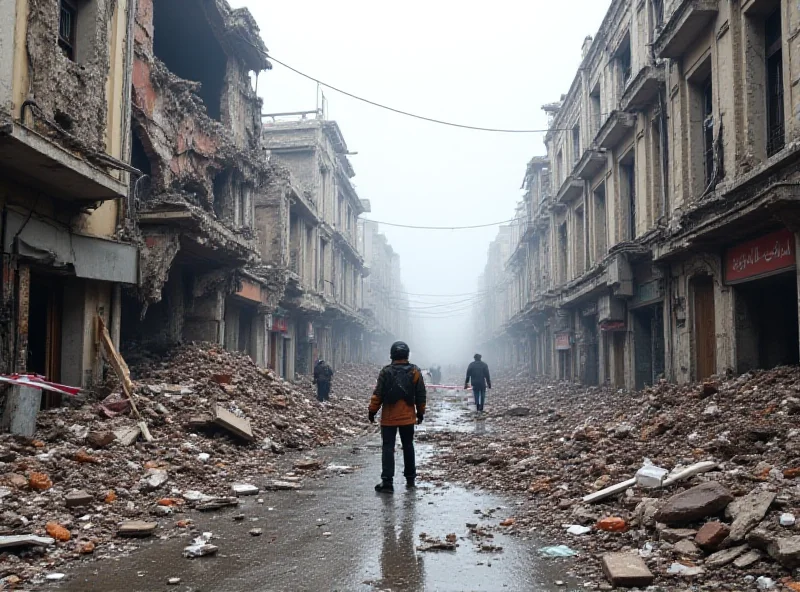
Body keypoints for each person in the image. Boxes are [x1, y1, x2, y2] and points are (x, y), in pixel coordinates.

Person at [369, 341, 427, 493]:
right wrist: (420, 412)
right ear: (407, 354)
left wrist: (372, 411)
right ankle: (410, 478)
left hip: (389, 418)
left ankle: (387, 482)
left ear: (392, 354)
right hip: (408, 417)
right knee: (408, 446)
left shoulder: (386, 372)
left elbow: (378, 394)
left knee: (388, 447)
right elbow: (421, 395)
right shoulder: (415, 371)